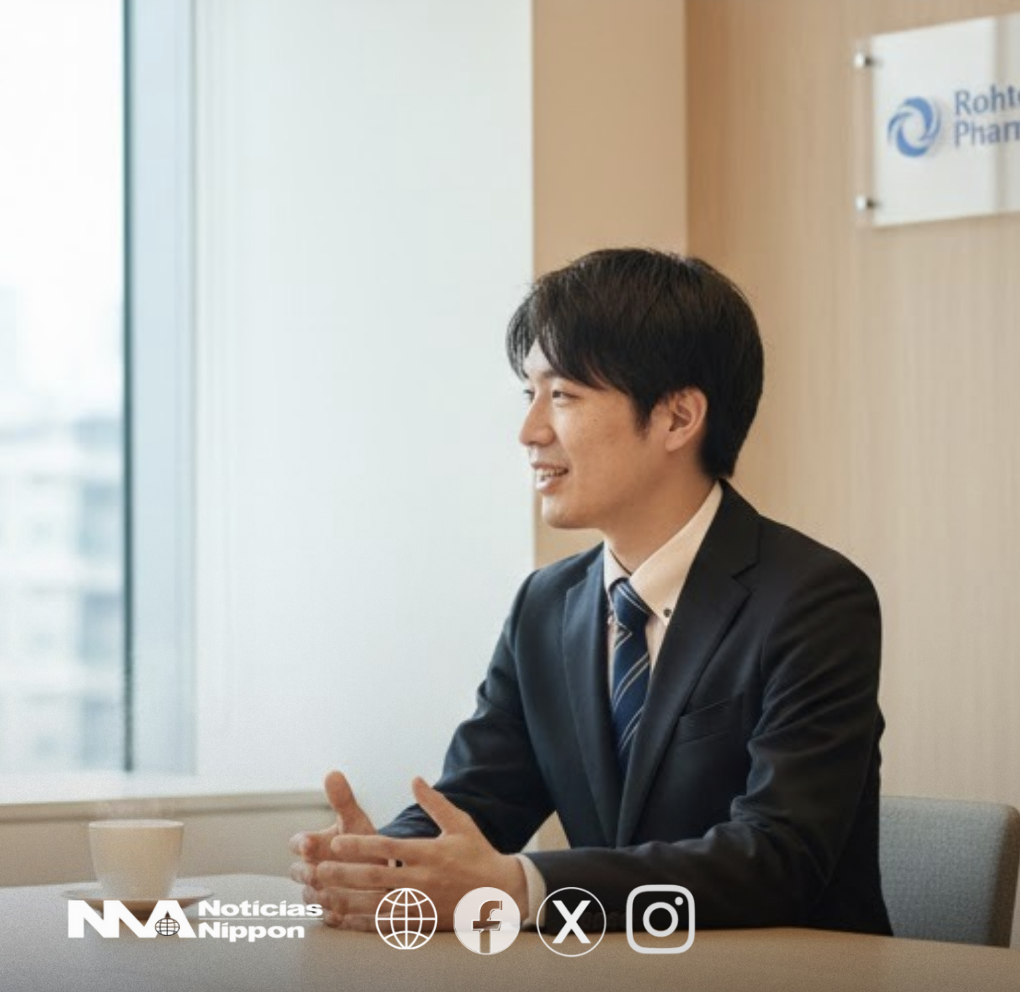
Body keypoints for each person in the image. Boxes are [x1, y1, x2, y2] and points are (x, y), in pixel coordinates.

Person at [290, 248, 891, 935]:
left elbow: (777, 860)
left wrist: (524, 888)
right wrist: (381, 864)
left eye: (563, 396)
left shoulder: (813, 600)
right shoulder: (546, 606)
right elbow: (480, 798)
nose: (529, 431)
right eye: (529, 394)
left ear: (677, 418)